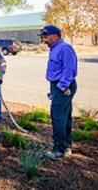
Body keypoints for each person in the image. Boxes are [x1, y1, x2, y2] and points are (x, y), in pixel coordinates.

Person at [38, 25, 78, 160]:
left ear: (55, 36)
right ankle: (66, 146)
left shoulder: (64, 48)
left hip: (63, 86)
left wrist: (62, 87)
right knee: (64, 117)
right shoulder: (55, 48)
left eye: (46, 37)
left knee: (58, 117)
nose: (44, 40)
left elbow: (69, 69)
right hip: (58, 86)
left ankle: (59, 150)